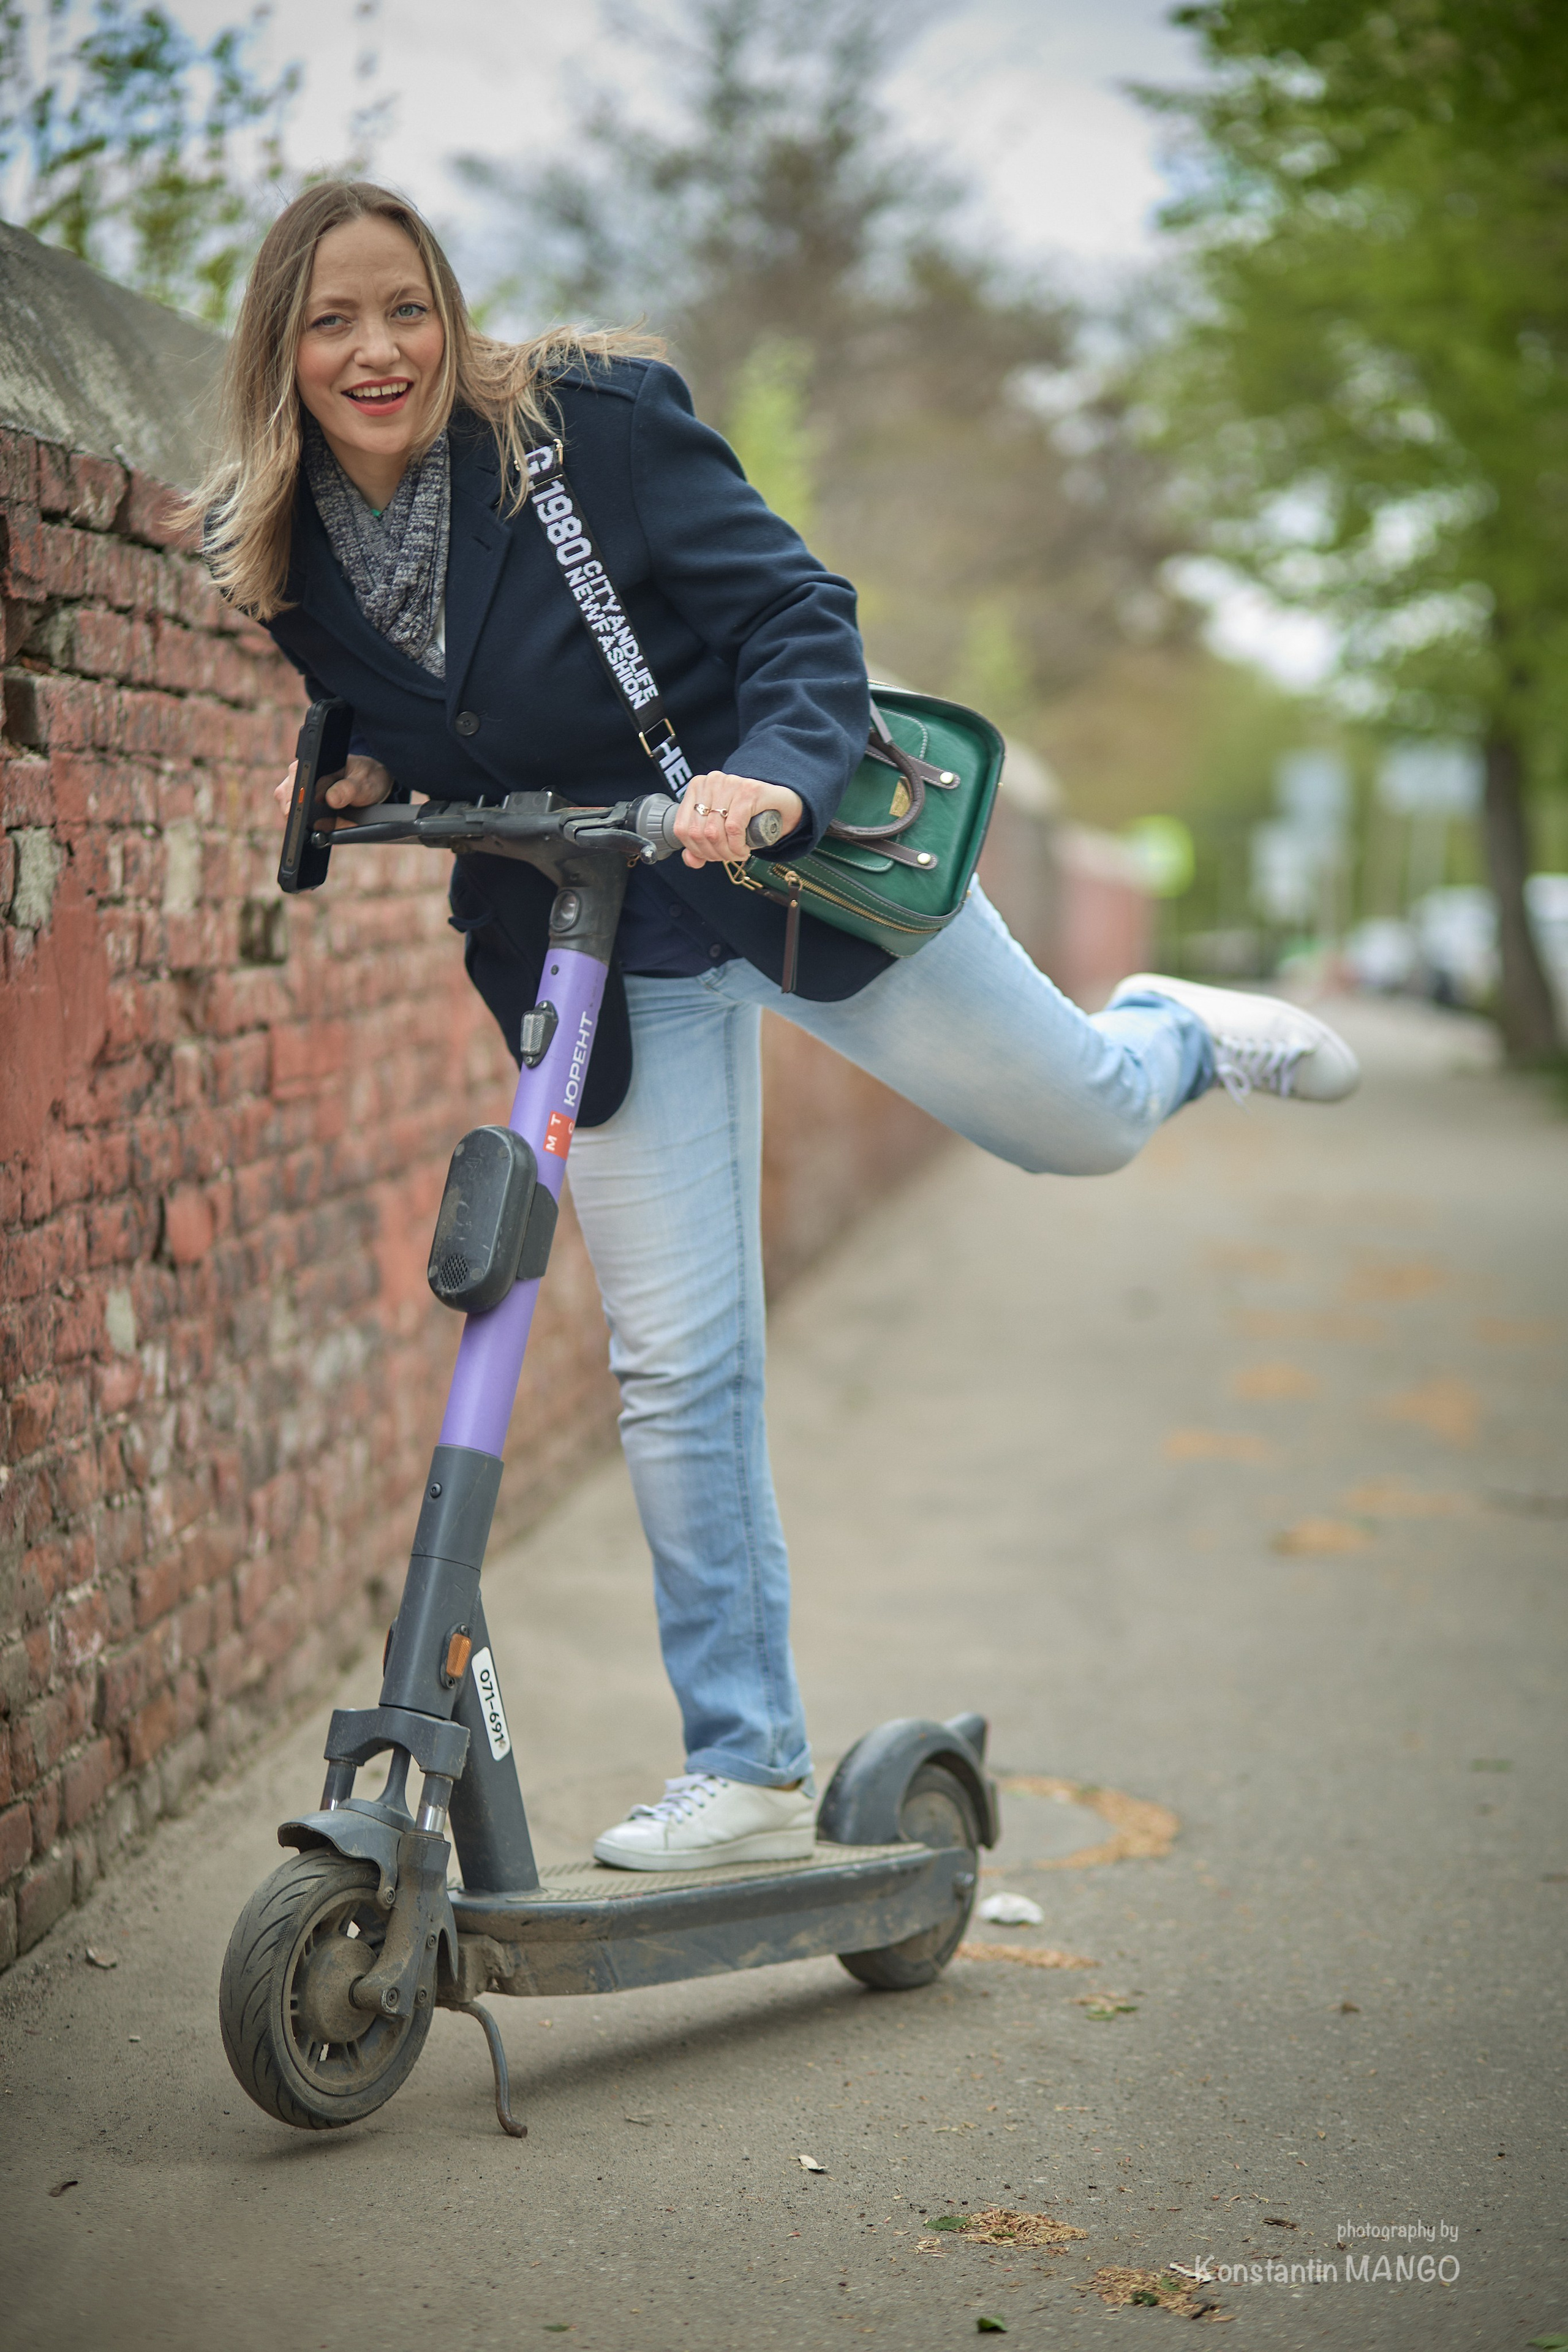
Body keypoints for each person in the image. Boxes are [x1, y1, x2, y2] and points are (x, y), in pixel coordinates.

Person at [195, 180, 1359, 1876]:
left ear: (450, 311)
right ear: (279, 350)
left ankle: (1173, 1028)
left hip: (796, 875)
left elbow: (798, 615)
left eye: (406, 308)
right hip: (603, 941)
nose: (376, 351)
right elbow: (443, 721)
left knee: (1084, 1121)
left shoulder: (585, 429)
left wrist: (777, 778)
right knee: (681, 1364)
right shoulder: (290, 551)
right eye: (331, 320)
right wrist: (378, 778)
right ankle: (742, 1763)